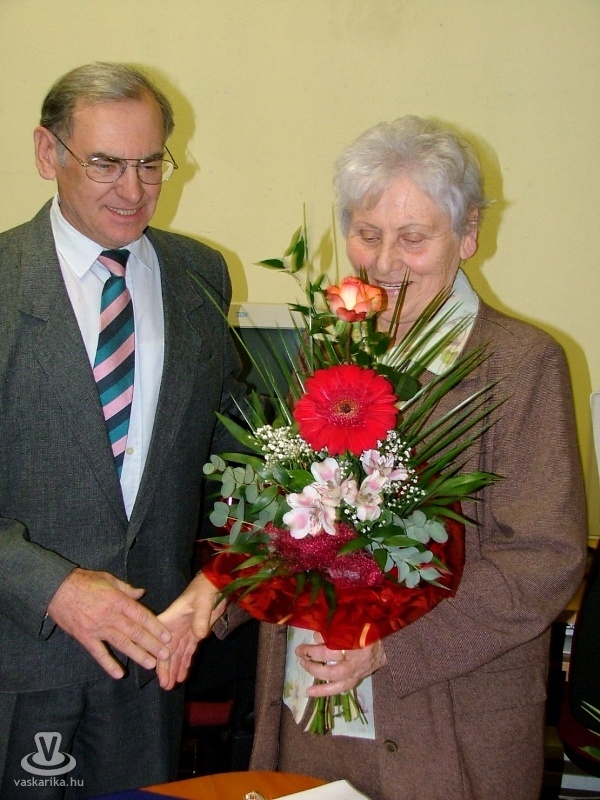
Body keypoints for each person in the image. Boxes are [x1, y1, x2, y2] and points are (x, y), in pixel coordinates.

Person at [190, 116, 587, 800]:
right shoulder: (328, 351)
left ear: (468, 233)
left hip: (448, 723)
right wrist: (211, 596)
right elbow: (287, 519)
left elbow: (543, 559)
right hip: (311, 711)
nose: (383, 263)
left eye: (413, 237)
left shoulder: (521, 364)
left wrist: (386, 648)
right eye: (368, 234)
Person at [0, 62, 240, 798]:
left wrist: (222, 579)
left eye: (150, 163)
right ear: (47, 152)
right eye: (105, 163)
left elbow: (240, 459)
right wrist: (52, 586)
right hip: (16, 664)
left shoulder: (199, 275)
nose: (133, 191)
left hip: (150, 667)